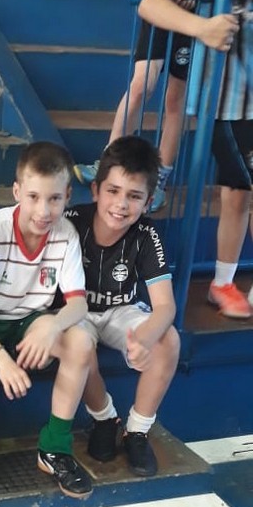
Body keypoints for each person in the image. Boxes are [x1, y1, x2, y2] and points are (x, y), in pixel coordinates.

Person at [0, 141, 93, 498]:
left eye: (54, 199)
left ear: (67, 196)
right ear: (16, 193)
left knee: (81, 342)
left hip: (29, 318)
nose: (43, 210)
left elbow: (78, 304)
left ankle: (54, 448)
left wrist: (53, 325)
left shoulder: (66, 235)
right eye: (33, 197)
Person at [74, 0, 234, 213]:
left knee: (176, 99)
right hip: (160, 6)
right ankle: (109, 160)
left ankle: (158, 180)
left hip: (198, 12)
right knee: (141, 85)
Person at [139, 0, 253, 319]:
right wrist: (202, 28)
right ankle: (221, 283)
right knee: (241, 190)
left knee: (238, 194)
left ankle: (223, 282)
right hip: (226, 106)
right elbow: (151, 3)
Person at [66, 136, 180, 476]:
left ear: (148, 202)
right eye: (113, 191)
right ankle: (105, 419)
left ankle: (137, 431)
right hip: (76, 310)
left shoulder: (146, 233)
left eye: (134, 196)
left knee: (169, 340)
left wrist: (144, 339)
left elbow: (165, 306)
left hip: (120, 311)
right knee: (78, 344)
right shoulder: (72, 221)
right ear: (96, 190)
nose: (121, 204)